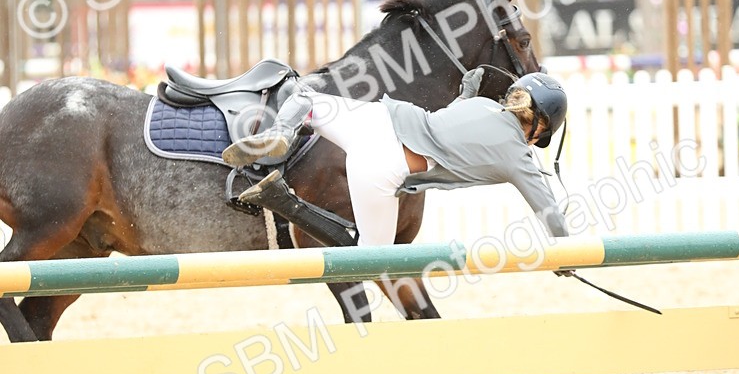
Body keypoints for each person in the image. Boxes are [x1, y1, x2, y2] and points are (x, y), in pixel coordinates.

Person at [222, 69, 570, 247]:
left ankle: (282, 131)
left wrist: (466, 92)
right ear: (540, 131)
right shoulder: (518, 157)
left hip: (377, 118)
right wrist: (567, 253)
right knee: (370, 259)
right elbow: (548, 208)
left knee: (306, 99)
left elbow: (448, 120)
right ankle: (286, 204)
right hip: (384, 166)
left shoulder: (484, 105)